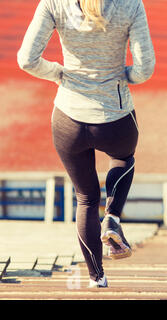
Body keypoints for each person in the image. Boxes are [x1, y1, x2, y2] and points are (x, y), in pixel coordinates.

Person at [17, 0, 155, 288]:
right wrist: (121, 77)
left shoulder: (53, 4)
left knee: (86, 198)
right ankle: (113, 217)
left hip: (68, 119)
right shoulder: (131, 5)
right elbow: (144, 70)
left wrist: (60, 74)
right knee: (124, 158)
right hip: (114, 117)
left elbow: (27, 60)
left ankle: (97, 277)